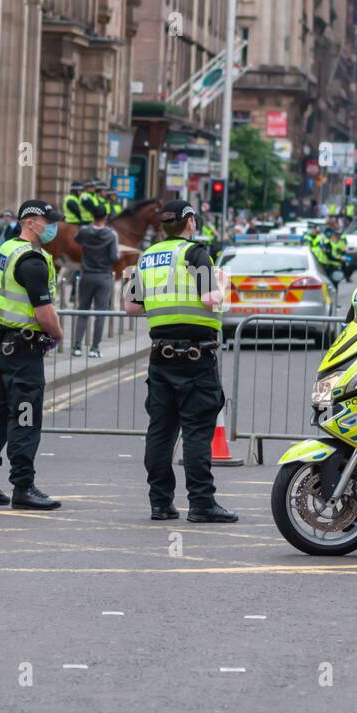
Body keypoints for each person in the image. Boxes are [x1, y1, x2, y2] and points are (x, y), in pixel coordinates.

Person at [124, 200, 238, 523]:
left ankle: (160, 503)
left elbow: (131, 308)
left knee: (161, 431)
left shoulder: (146, 258)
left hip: (160, 356)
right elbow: (209, 299)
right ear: (189, 222)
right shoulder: (196, 253)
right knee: (197, 432)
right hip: (196, 356)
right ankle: (201, 503)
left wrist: (164, 307)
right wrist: (223, 287)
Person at [0, 200, 65, 511]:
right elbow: (44, 312)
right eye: (48, 221)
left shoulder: (7, 248)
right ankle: (23, 486)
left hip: (3, 345)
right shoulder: (32, 261)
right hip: (24, 351)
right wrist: (58, 334)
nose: (53, 227)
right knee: (25, 416)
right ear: (31, 221)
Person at [72, 201, 119, 358]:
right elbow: (114, 257)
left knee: (83, 311)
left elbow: (77, 240)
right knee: (100, 313)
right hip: (104, 276)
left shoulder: (85, 232)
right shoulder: (112, 235)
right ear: (106, 217)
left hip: (86, 275)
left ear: (93, 216)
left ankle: (77, 347)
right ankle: (94, 348)